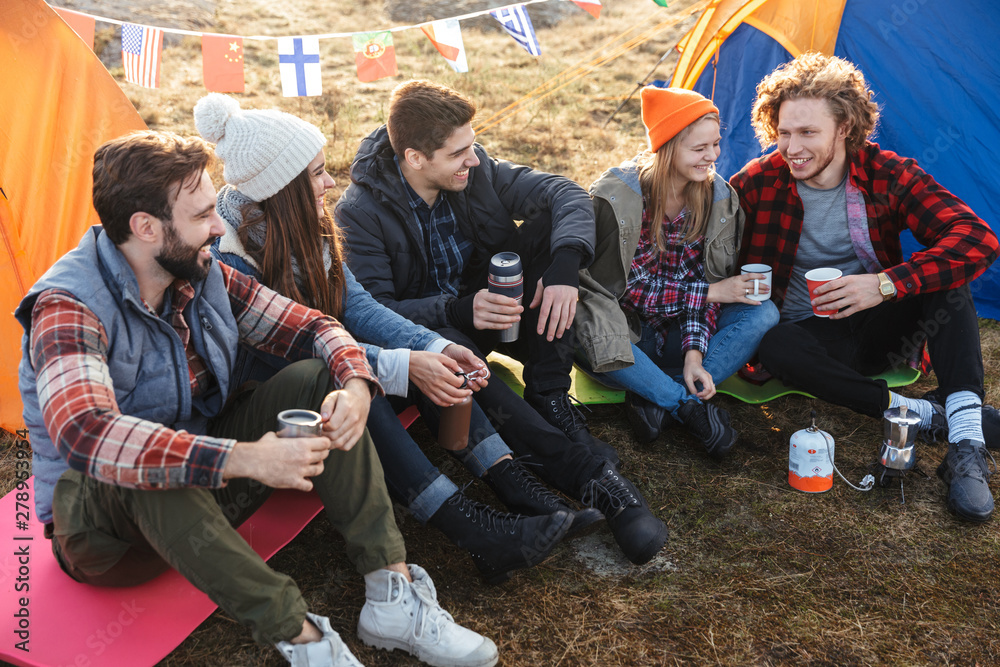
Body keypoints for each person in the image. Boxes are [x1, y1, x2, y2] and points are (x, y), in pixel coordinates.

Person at [15, 131, 500, 667]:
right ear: (146, 227)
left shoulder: (199, 271)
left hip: (208, 486)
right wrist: (247, 458)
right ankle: (306, 641)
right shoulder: (68, 306)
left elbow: (314, 327)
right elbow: (87, 433)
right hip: (105, 535)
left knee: (318, 375)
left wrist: (357, 385)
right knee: (149, 467)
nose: (218, 227)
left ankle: (391, 595)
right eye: (203, 215)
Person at [193, 93, 594, 584]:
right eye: (317, 174)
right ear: (283, 187)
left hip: (315, 364)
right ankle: (473, 528)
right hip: (258, 408)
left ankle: (513, 483)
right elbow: (290, 349)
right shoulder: (230, 258)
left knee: (409, 360)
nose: (331, 181)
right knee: (350, 380)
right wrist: (404, 364)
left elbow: (358, 306)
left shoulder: (306, 226)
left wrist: (435, 347)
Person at [336, 80, 668, 565]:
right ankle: (597, 482)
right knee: (450, 348)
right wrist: (456, 310)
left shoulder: (476, 170)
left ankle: (550, 396)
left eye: (472, 146)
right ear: (415, 158)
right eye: (458, 153)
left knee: (551, 234)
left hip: (495, 308)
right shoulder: (358, 214)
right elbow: (373, 314)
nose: (472, 159)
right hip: (434, 332)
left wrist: (563, 268)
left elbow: (566, 193)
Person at [730, 52, 999, 522]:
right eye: (784, 132)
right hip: (812, 341)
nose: (791, 147)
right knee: (774, 344)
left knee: (947, 278)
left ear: (845, 128)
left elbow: (977, 239)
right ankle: (927, 414)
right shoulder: (756, 184)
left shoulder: (886, 173)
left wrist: (885, 284)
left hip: (881, 328)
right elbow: (709, 257)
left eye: (807, 132)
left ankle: (967, 448)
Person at [576, 85, 779, 456]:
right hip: (625, 342)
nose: (713, 156)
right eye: (700, 148)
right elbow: (627, 290)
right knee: (577, 318)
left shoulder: (714, 199)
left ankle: (655, 396)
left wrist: (694, 356)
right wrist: (713, 292)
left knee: (763, 312)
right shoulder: (619, 199)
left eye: (715, 144)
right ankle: (683, 403)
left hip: (677, 338)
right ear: (668, 148)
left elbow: (703, 284)